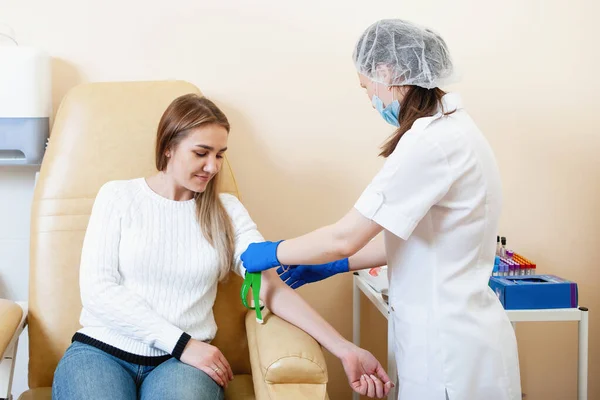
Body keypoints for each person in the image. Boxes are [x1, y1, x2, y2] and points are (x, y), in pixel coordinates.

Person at [240, 19, 522, 400]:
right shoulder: (453, 130)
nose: (369, 97)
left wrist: (269, 252)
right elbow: (414, 237)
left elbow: (345, 236)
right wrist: (335, 265)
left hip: (448, 356)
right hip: (459, 341)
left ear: (386, 72)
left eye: (365, 86)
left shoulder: (430, 143)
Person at [51, 94, 392, 400]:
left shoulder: (226, 211)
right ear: (168, 146)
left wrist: (344, 348)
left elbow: (268, 286)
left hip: (180, 366)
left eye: (219, 155)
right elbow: (98, 291)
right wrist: (181, 344)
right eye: (201, 153)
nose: (213, 167)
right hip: (103, 352)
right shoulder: (118, 197)